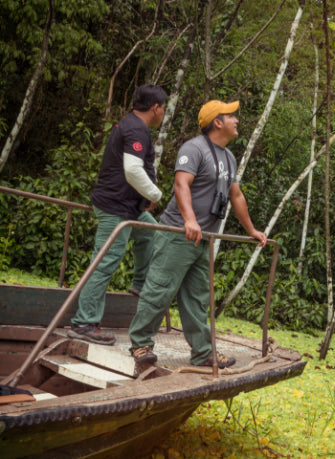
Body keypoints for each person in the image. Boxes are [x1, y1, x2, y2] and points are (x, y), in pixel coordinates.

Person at [128, 99, 267, 368]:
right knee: (159, 290)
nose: (237, 120)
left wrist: (251, 230)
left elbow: (235, 195)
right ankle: (140, 343)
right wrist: (190, 221)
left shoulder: (228, 157)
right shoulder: (194, 148)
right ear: (217, 122)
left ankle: (203, 352)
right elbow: (181, 184)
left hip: (204, 239)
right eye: (231, 116)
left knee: (197, 297)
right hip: (178, 234)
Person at [69, 84, 167, 345]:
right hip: (115, 207)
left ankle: (139, 282)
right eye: (164, 108)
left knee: (150, 231)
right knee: (105, 262)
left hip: (128, 207)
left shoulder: (132, 124)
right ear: (156, 108)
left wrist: (143, 198)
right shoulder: (136, 128)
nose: (163, 113)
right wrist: (155, 195)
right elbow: (132, 170)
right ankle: (84, 322)